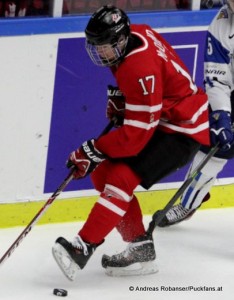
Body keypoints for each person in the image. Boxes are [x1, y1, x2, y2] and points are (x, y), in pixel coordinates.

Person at [52, 5, 210, 280]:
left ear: (120, 40)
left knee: (121, 178)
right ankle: (140, 247)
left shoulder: (139, 68)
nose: (99, 52)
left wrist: (93, 149)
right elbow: (158, 85)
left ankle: (83, 246)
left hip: (183, 129)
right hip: (165, 117)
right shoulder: (138, 33)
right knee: (102, 172)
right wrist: (126, 100)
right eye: (96, 45)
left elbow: (135, 138)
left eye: (103, 46)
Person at [155, 0, 234, 227]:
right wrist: (221, 115)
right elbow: (216, 78)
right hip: (232, 92)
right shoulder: (221, 25)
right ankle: (188, 204)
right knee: (213, 153)